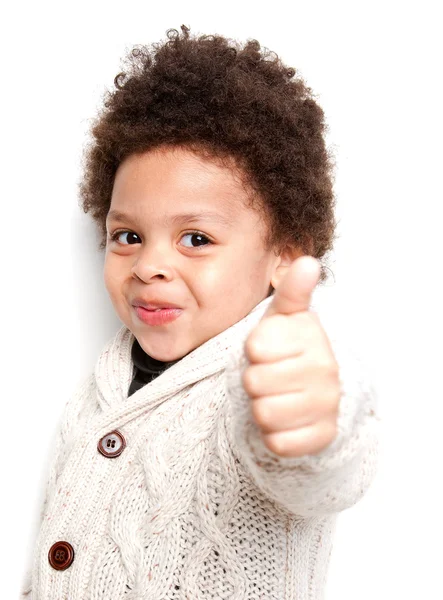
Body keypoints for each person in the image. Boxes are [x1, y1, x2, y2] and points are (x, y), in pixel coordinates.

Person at [20, 24, 379, 599]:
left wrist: (311, 423)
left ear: (284, 257)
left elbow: (322, 470)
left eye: (195, 239)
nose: (149, 265)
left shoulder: (260, 383)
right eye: (128, 235)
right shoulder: (102, 390)